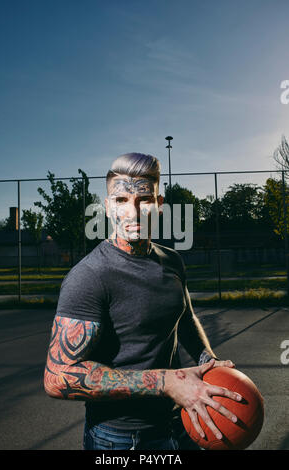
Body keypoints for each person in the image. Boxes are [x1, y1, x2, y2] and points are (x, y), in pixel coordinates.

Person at [44, 153, 241, 450]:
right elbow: (57, 378)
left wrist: (207, 359)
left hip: (181, 419)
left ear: (159, 205)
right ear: (108, 207)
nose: (133, 212)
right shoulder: (89, 276)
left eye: (144, 200)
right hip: (121, 437)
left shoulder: (172, 261)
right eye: (121, 200)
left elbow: (185, 318)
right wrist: (165, 382)